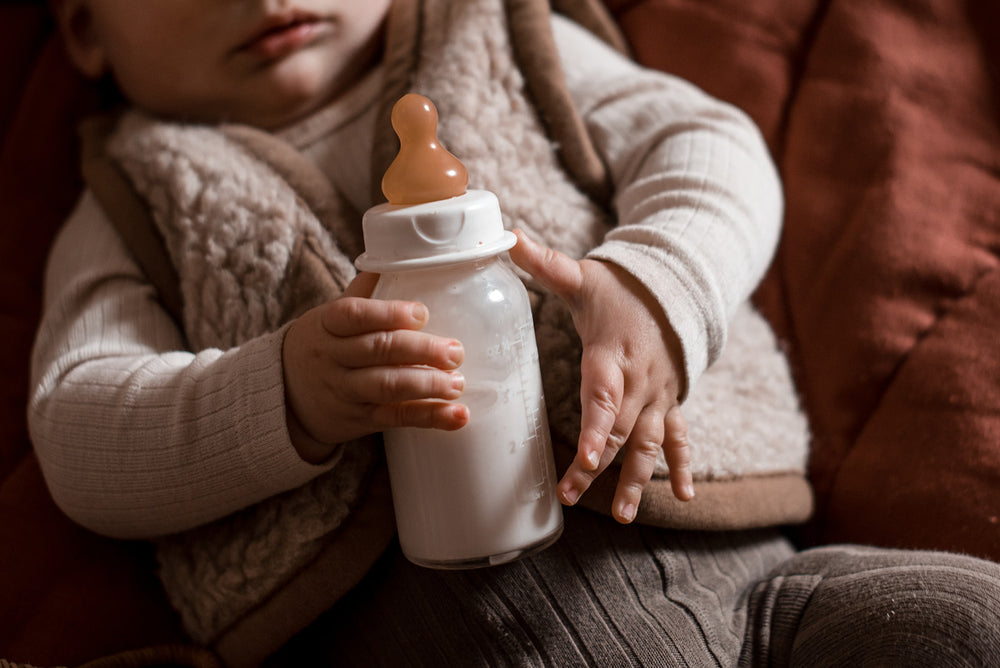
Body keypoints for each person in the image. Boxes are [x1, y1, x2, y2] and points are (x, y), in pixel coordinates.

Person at [29, 0, 1000, 665]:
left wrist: (658, 284)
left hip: (749, 588)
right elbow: (79, 427)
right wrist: (278, 392)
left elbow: (706, 143)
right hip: (429, 631)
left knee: (959, 622)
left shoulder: (493, 40)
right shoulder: (137, 194)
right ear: (84, 27)